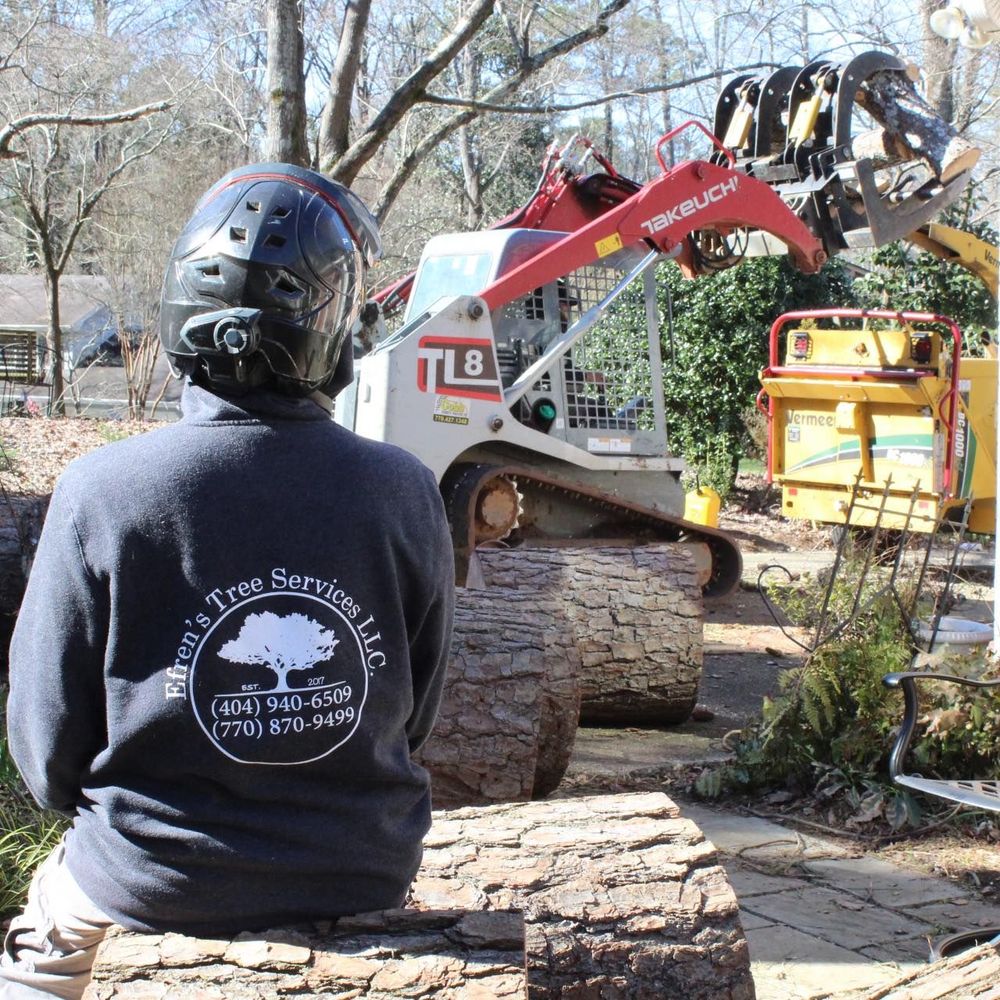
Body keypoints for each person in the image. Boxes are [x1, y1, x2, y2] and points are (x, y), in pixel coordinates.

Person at [1, 163, 455, 999]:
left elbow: (44, 753)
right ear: (334, 337)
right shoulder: (403, 489)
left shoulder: (103, 491)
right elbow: (413, 715)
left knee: (35, 957)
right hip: (360, 876)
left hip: (146, 883)